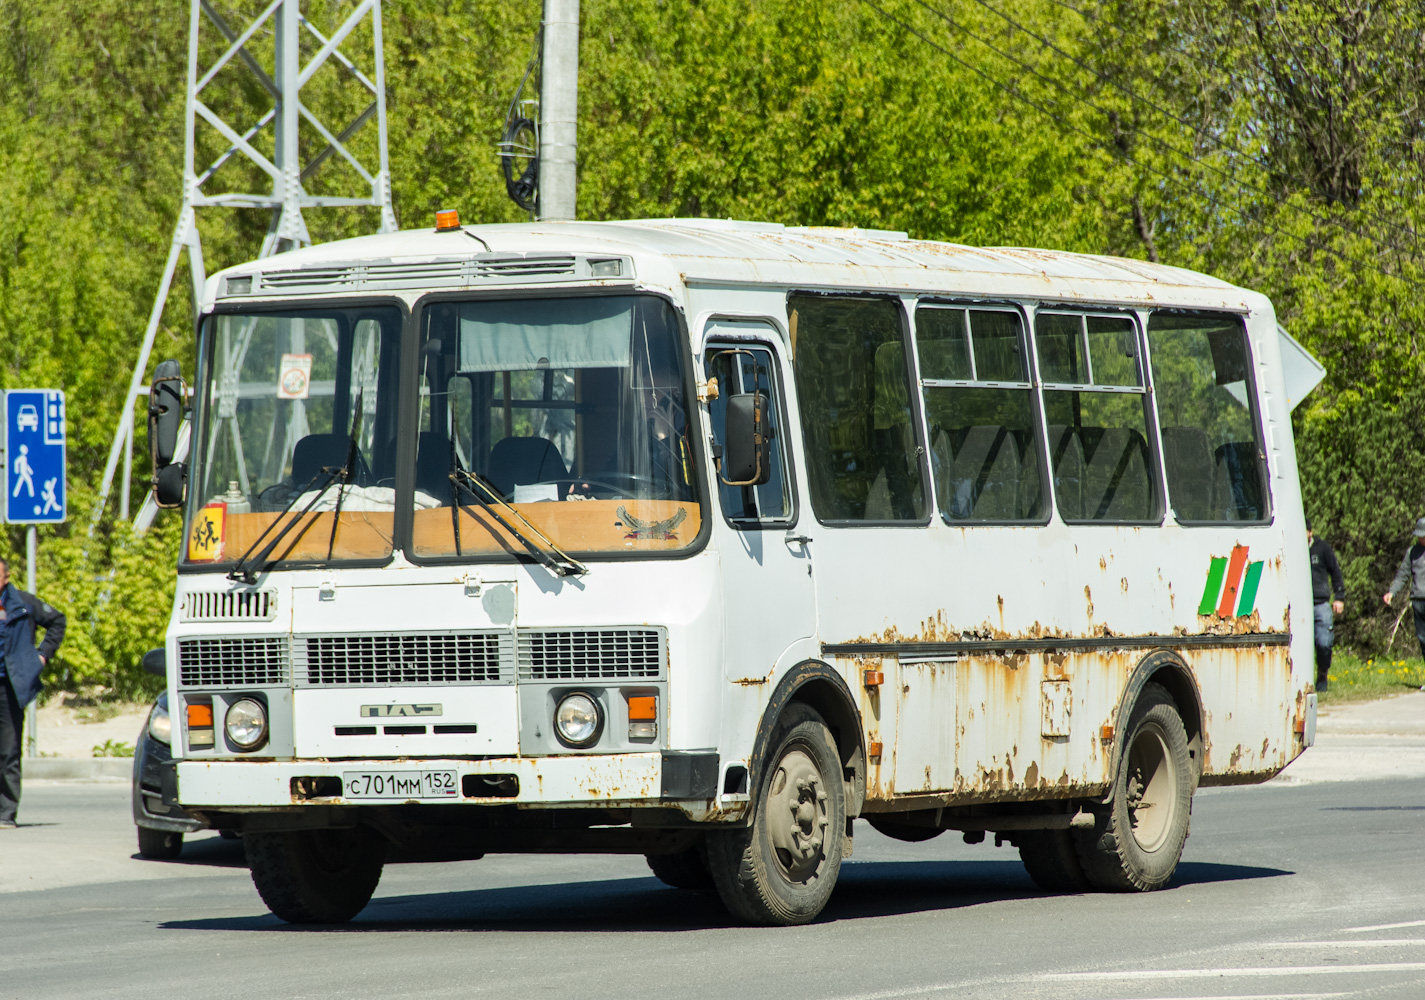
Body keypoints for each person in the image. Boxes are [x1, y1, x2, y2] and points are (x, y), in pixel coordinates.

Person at [0, 557, 66, 829]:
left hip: (10, 687)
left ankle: (5, 813)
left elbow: (57, 621)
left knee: (8, 751)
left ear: (6, 576)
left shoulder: (24, 604)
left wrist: (42, 656)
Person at [1307, 519, 1346, 692]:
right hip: (1301, 606)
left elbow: (1336, 572)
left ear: (1310, 531)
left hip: (1321, 604)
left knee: (1323, 643)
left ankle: (1322, 674)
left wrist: (1339, 597)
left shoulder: (1322, 548)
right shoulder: (1294, 549)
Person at [1382, 517, 1425, 664]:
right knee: (1422, 639)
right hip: (1418, 600)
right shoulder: (1412, 552)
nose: (1421, 538)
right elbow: (1403, 575)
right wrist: (1392, 592)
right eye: (1419, 536)